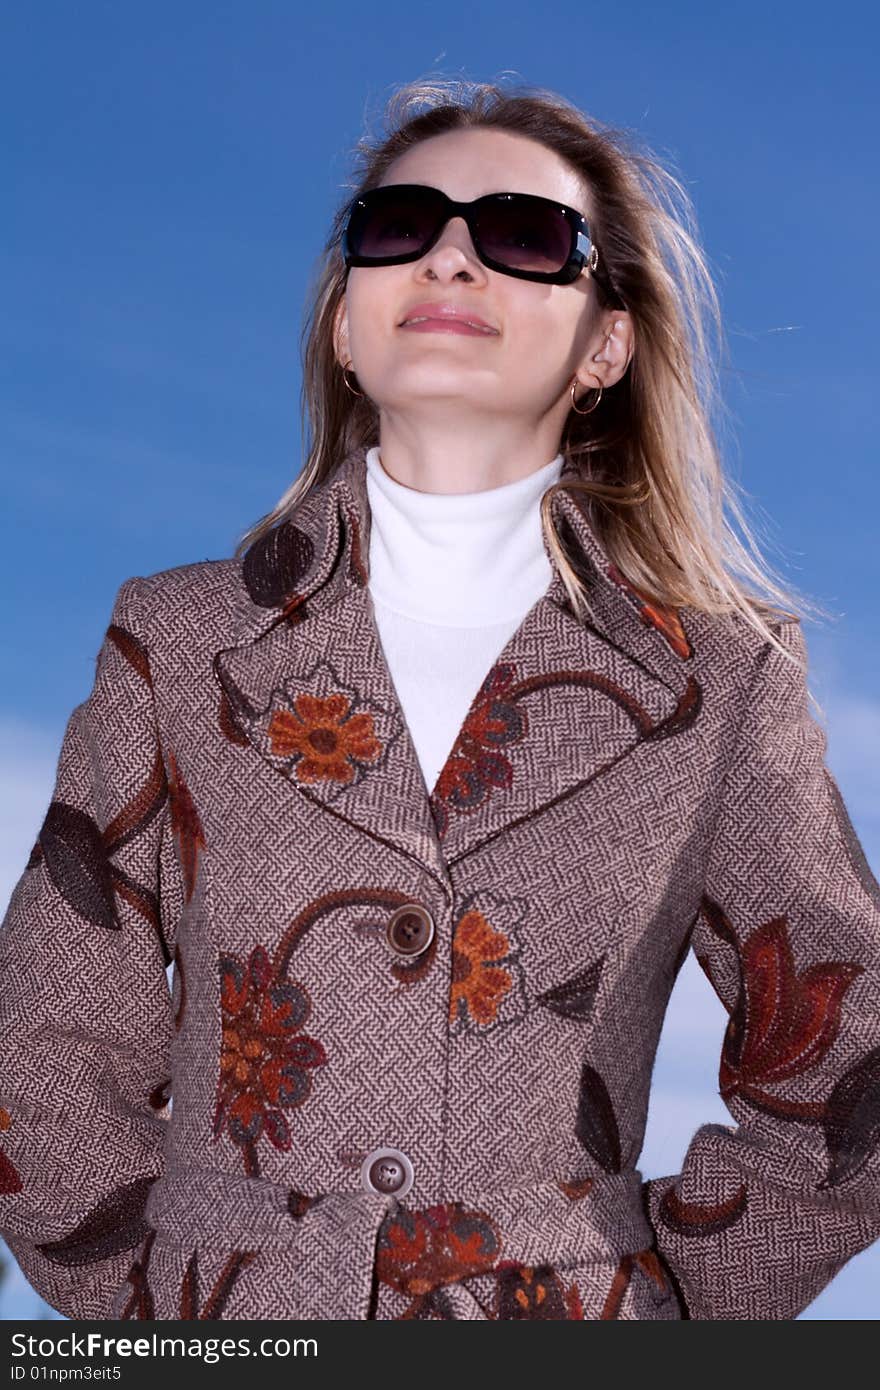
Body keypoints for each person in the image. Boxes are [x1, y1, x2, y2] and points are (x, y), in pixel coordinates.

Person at [1, 76, 879, 1322]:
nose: (452, 256)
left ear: (605, 343)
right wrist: (165, 1313)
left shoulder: (725, 680)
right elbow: (37, 1045)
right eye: (396, 225)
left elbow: (855, 1066)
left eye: (522, 234)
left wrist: (660, 1311)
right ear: (348, 325)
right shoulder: (177, 640)